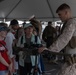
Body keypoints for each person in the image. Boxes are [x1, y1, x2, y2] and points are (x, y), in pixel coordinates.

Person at [38, 3, 76, 75]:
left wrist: (50, 50)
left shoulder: (71, 23)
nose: (59, 17)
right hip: (70, 59)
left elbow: (64, 38)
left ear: (66, 12)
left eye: (60, 14)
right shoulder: (68, 23)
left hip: (73, 61)